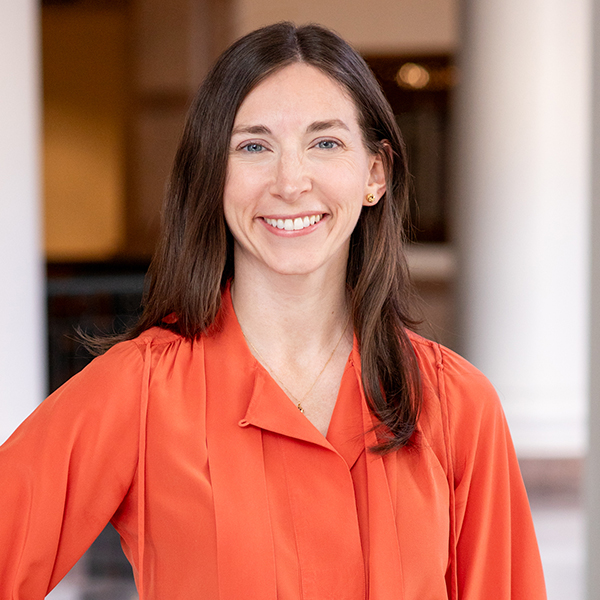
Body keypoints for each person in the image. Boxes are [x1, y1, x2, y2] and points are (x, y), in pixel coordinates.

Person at [0, 22, 546, 600]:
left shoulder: (458, 405)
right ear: (214, 176)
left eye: (326, 142)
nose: (290, 182)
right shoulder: (137, 393)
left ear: (375, 174)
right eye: (254, 146)